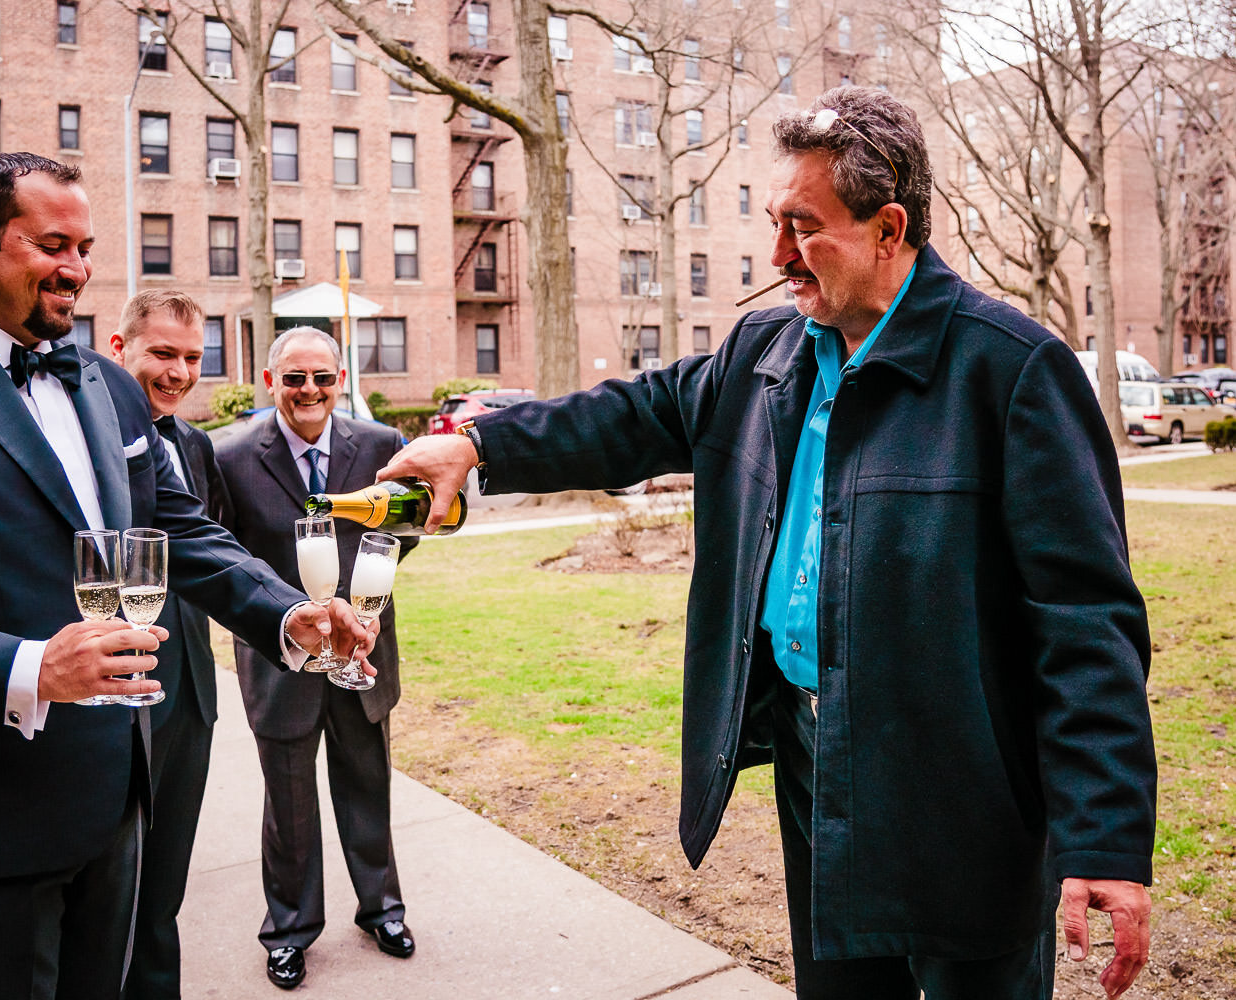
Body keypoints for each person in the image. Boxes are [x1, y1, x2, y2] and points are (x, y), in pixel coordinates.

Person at [378, 86, 1157, 1000]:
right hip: (814, 758)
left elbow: (1084, 618)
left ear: (889, 229)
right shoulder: (767, 349)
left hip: (962, 797)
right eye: (774, 221)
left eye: (803, 225)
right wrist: (478, 443)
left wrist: (1103, 834)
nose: (777, 252)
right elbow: (639, 413)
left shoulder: (1012, 370)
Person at [0, 152, 372, 1000]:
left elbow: (182, 530)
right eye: (53, 245)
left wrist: (284, 615)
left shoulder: (106, 387)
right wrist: (27, 668)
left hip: (112, 802)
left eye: (86, 248)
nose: (78, 270)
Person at [213, 327, 417, 990]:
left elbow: (403, 528)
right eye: (295, 378)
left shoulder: (382, 446)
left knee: (369, 786)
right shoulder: (233, 456)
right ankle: (290, 932)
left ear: (339, 380)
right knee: (290, 803)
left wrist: (366, 596)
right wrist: (286, 615)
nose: (310, 390)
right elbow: (222, 554)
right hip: (282, 664)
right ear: (271, 381)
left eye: (323, 377)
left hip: (362, 653)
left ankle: (381, 910)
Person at [110, 290, 231, 1000]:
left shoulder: (194, 445)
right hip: (114, 689)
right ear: (120, 349)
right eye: (163, 353)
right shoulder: (87, 440)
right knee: (110, 888)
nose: (179, 372)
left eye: (192, 357)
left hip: (190, 695)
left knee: (163, 891)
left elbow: (210, 550)